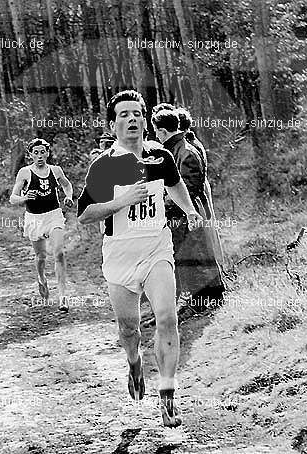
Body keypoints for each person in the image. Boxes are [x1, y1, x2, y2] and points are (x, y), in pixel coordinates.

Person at [77, 90, 203, 427]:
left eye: (137, 113)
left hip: (156, 249)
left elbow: (176, 185)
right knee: (129, 328)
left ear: (145, 120)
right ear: (112, 123)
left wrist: (190, 210)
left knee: (166, 317)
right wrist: (120, 202)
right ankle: (134, 361)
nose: (131, 119)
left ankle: (168, 394)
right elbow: (85, 214)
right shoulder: (104, 165)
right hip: (120, 255)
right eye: (123, 115)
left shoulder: (160, 156)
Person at [152, 110, 227, 315]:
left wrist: (165, 205)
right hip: (181, 213)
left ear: (163, 131)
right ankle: (201, 298)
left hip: (187, 212)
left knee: (194, 256)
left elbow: (188, 187)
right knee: (190, 256)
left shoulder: (184, 152)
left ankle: (201, 301)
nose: (156, 136)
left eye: (157, 132)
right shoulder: (174, 149)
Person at [10, 138, 74, 312]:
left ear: (47, 153)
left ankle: (63, 296)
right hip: (35, 218)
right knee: (41, 256)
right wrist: (24, 198)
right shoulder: (25, 173)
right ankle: (41, 277)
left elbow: (67, 186)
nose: (39, 156)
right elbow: (13, 198)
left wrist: (68, 197)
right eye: (35, 153)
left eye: (42, 152)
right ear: (30, 155)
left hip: (54, 215)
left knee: (59, 253)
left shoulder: (55, 170)